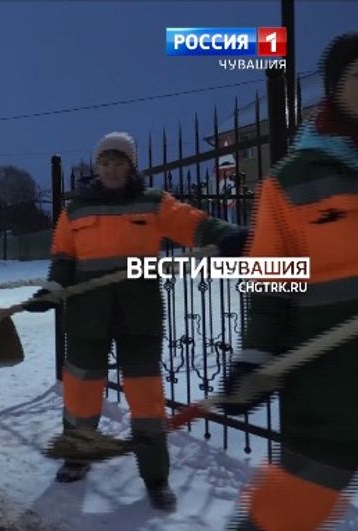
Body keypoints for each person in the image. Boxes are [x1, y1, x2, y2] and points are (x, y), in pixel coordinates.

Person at [27, 131, 247, 511]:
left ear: (131, 167)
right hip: (87, 316)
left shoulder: (153, 203)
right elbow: (63, 257)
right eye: (105, 163)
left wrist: (230, 236)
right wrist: (51, 290)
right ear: (96, 167)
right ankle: (77, 456)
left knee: (146, 397)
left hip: (138, 315)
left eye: (119, 163)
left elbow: (192, 223)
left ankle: (156, 476)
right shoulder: (76, 210)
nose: (111, 170)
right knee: (80, 391)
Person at [220, 32, 358, 531]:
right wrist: (255, 356)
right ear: (335, 89)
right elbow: (271, 284)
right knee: (278, 525)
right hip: (332, 392)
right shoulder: (293, 181)